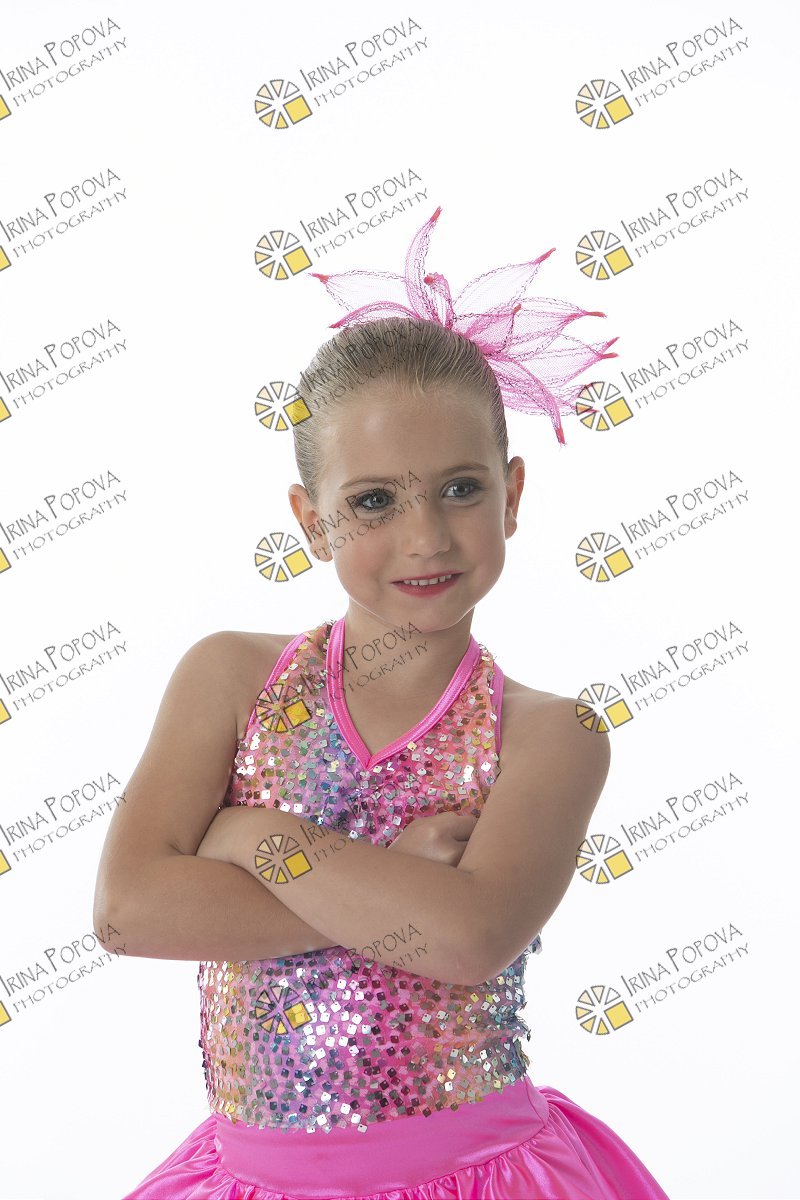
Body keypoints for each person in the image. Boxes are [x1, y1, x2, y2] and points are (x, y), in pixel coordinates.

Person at [95, 208, 671, 1198]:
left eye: (460, 489)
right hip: (254, 1175)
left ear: (512, 495)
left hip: (478, 1173)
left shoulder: (548, 736)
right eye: (372, 501)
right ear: (310, 520)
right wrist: (392, 886)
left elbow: (467, 938)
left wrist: (256, 837)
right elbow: (130, 912)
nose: (425, 537)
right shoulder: (231, 679)